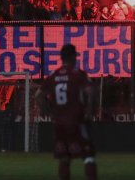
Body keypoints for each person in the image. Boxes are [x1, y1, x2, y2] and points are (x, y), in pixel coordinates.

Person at [37, 44, 97, 180]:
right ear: (71, 57)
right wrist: (89, 111)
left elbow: (38, 96)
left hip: (59, 124)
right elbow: (91, 91)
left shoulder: (54, 75)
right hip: (77, 121)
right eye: (75, 56)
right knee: (88, 156)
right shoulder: (78, 74)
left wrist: (48, 111)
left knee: (64, 157)